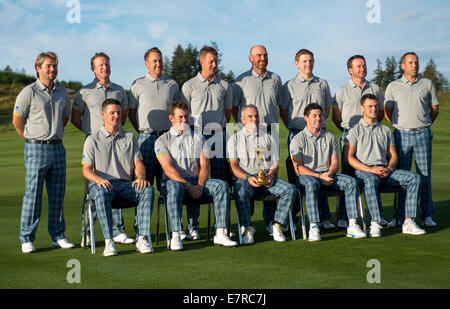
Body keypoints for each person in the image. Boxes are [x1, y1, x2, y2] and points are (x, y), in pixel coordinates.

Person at [12, 51, 74, 253]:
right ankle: (27, 237)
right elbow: (17, 121)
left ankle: (58, 235)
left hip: (58, 147)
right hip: (35, 147)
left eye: (54, 65)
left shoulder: (63, 92)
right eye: (48, 65)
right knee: (33, 195)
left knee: (57, 195)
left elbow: (64, 119)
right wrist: (31, 140)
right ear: (38, 68)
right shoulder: (28, 92)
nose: (52, 69)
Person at [155, 101, 237, 251]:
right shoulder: (162, 140)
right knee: (174, 187)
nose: (184, 120)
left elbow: (205, 165)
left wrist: (199, 186)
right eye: (180, 117)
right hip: (173, 183)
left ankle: (220, 232)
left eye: (186, 116)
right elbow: (168, 169)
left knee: (221, 186)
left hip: (196, 182)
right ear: (171, 118)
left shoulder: (199, 137)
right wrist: (188, 186)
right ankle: (176, 235)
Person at [71, 52, 133, 246]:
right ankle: (87, 233)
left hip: (116, 143)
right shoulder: (84, 91)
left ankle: (118, 231)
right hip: (95, 145)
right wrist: (91, 135)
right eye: (100, 65)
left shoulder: (120, 90)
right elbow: (75, 117)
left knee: (116, 182)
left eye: (107, 64)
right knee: (94, 190)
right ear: (93, 69)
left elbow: (122, 116)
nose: (104, 68)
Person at [346, 94, 426, 237]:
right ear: (362, 108)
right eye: (370, 106)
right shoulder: (354, 130)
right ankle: (375, 224)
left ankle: (408, 221)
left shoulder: (386, 130)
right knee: (371, 179)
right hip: (365, 171)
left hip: (384, 170)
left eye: (376, 106)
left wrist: (389, 168)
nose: (373, 109)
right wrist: (369, 169)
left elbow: (394, 155)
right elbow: (350, 157)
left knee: (414, 178)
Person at [82, 99, 154, 256]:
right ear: (103, 115)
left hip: (124, 184)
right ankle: (109, 241)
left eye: (119, 113)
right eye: (112, 113)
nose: (116, 116)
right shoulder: (92, 140)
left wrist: (141, 177)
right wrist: (98, 180)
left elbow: (139, 164)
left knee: (147, 189)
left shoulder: (129, 137)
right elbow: (86, 170)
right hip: (102, 185)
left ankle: (142, 238)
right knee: (101, 193)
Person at [290, 103, 366, 241]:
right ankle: (314, 227)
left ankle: (353, 225)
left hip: (327, 174)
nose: (318, 118)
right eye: (314, 116)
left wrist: (329, 174)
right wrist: (318, 176)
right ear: (306, 118)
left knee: (351, 182)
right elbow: (298, 167)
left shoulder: (330, 137)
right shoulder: (297, 139)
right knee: (312, 184)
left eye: (320, 115)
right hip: (306, 176)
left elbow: (335, 162)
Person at [180, 46, 233, 239]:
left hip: (219, 135)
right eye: (211, 61)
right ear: (201, 62)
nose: (214, 64)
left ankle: (223, 226)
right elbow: (183, 113)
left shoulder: (225, 86)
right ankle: (192, 225)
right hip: (195, 135)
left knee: (222, 181)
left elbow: (227, 113)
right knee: (196, 179)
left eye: (216, 61)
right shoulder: (189, 85)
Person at [385, 52, 439, 228]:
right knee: (402, 177)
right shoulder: (393, 86)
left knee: (424, 176)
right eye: (410, 63)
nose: (414, 65)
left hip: (422, 133)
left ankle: (427, 215)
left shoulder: (427, 84)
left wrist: (422, 123)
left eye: (416, 62)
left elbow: (434, 109)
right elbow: (388, 111)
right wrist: (399, 124)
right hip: (401, 135)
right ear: (403, 66)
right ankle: (400, 216)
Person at [281, 48, 334, 229]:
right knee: (298, 175)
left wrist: (317, 124)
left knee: (323, 172)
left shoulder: (323, 84)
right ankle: (293, 218)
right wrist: (294, 126)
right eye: (304, 61)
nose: (308, 64)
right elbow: (283, 111)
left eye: (310, 61)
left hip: (320, 134)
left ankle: (323, 216)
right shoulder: (289, 85)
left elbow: (326, 110)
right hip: (297, 133)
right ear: (296, 63)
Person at [228, 105, 296, 244]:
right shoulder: (234, 139)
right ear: (242, 119)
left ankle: (276, 225)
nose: (254, 119)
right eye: (250, 116)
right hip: (245, 178)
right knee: (240, 191)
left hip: (267, 177)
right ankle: (247, 228)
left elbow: (275, 163)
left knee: (290, 189)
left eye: (256, 116)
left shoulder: (269, 137)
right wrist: (248, 177)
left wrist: (271, 175)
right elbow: (233, 167)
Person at [232, 45, 283, 232]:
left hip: (270, 131)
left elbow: (281, 106)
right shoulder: (241, 80)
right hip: (248, 133)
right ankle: (248, 223)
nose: (262, 58)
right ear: (250, 58)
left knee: (270, 177)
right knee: (248, 178)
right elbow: (233, 108)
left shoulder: (276, 79)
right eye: (258, 55)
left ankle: (271, 221)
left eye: (265, 55)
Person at [332, 55, 386, 228]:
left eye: (364, 65)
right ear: (350, 70)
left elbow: (381, 112)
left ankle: (378, 216)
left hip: (371, 135)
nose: (362, 69)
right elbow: (336, 116)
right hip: (350, 136)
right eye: (358, 66)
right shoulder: (342, 90)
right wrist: (350, 132)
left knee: (374, 174)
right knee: (347, 177)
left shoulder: (375, 88)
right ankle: (343, 216)